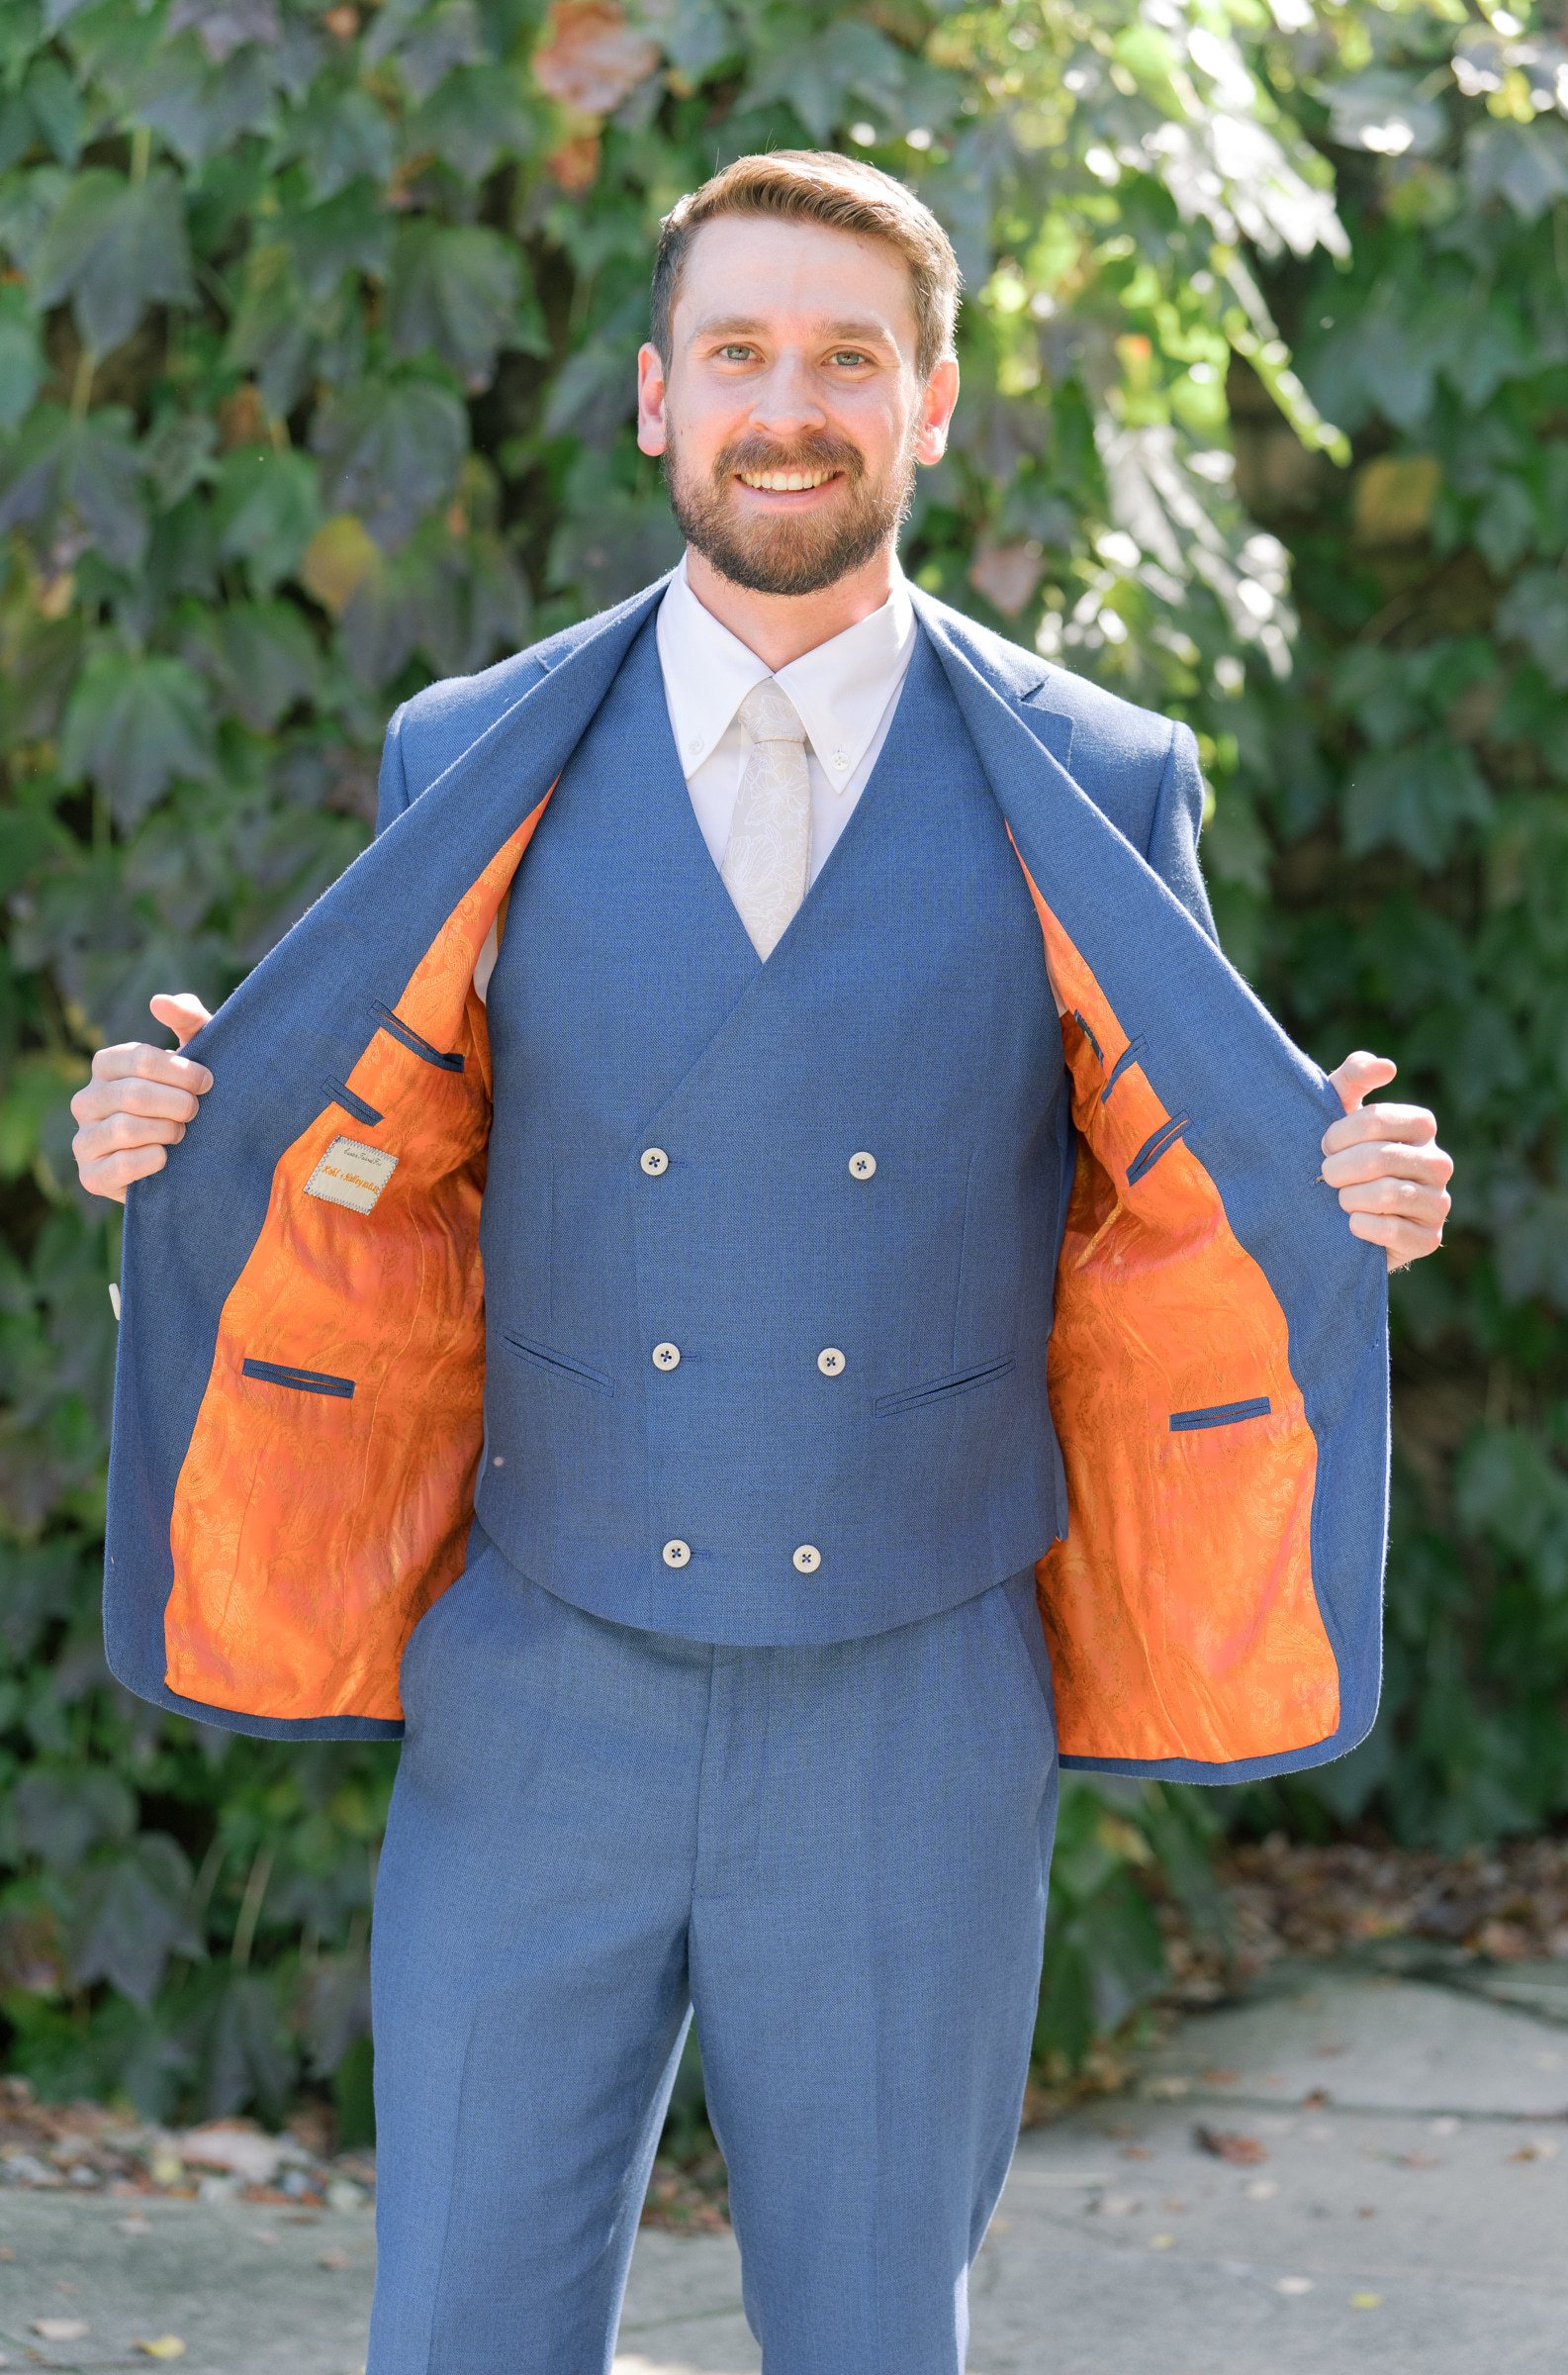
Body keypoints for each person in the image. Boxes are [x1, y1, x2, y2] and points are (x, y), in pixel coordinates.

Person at [69, 151, 1450, 2375]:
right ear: (651, 400)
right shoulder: (468, 750)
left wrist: (1346, 1199)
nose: (783, 403)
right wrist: (157, 1132)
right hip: (539, 1688)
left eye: (842, 358)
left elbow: (1171, 1186)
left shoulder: (1105, 774)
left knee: (869, 2343)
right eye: (736, 353)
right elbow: (358, 1147)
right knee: (455, 2338)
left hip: (912, 1705)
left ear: (926, 407)